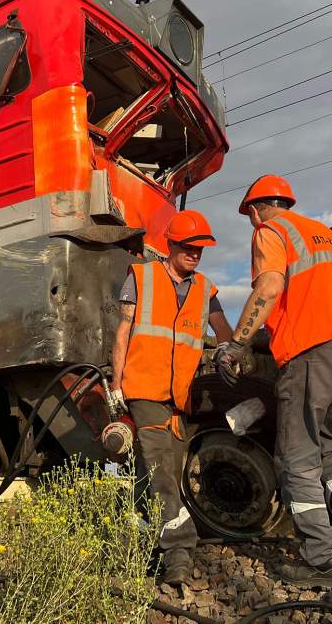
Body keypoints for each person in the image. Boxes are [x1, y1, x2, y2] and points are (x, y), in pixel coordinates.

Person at [216, 176, 332, 589]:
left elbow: (269, 286)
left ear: (254, 209)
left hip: (313, 355)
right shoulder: (324, 233)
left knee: (297, 459)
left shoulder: (271, 230)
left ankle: (320, 559)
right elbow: (312, 297)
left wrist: (236, 344)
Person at [108, 209, 233, 585]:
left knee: (156, 474)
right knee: (161, 467)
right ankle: (180, 549)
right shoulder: (141, 277)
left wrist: (230, 350)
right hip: (143, 388)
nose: (195, 255)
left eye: (201, 249)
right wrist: (116, 385)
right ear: (172, 246)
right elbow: (122, 332)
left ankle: (139, 547)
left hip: (180, 397)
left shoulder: (205, 289)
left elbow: (223, 331)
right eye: (189, 248)